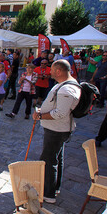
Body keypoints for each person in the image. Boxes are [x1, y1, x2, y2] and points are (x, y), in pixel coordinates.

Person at [32, 60, 81, 204]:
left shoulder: (67, 89)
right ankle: (54, 187)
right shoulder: (66, 85)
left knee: (48, 160)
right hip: (58, 128)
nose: (50, 72)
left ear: (58, 71)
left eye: (52, 70)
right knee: (56, 159)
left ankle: (48, 193)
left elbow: (60, 113)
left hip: (57, 129)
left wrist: (41, 115)